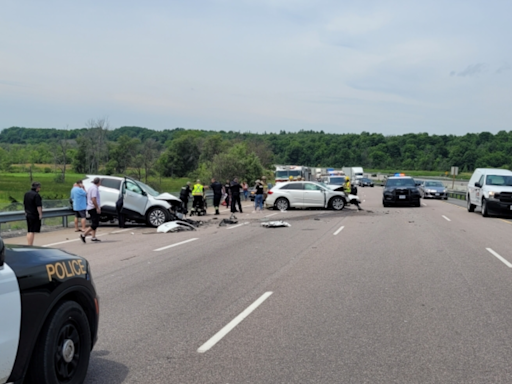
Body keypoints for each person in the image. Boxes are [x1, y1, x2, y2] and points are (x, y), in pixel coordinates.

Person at [81, 177, 102, 243]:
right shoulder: (94, 189)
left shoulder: (91, 187)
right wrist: (97, 208)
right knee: (95, 224)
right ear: (98, 182)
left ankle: (93, 237)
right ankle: (84, 234)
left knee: (94, 223)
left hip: (91, 207)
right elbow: (93, 199)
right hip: (93, 208)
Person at [23, 181, 42, 246]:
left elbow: (25, 204)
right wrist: (40, 214)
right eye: (39, 187)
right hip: (34, 214)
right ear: (37, 188)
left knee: (29, 230)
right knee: (32, 231)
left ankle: (29, 243)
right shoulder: (36, 195)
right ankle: (30, 245)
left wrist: (25, 211)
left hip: (28, 213)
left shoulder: (26, 194)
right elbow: (38, 206)